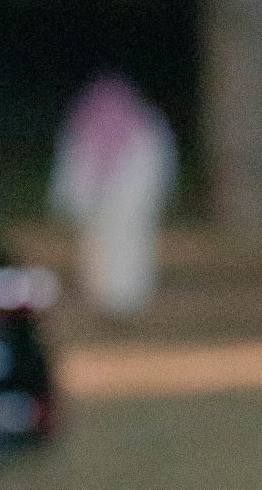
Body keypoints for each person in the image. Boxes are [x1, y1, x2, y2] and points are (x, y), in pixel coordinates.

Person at [51, 72, 178, 315]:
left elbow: (155, 168)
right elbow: (73, 169)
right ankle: (103, 299)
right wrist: (78, 202)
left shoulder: (144, 129)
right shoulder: (85, 128)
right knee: (96, 248)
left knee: (131, 247)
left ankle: (129, 300)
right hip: (97, 207)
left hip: (130, 207)